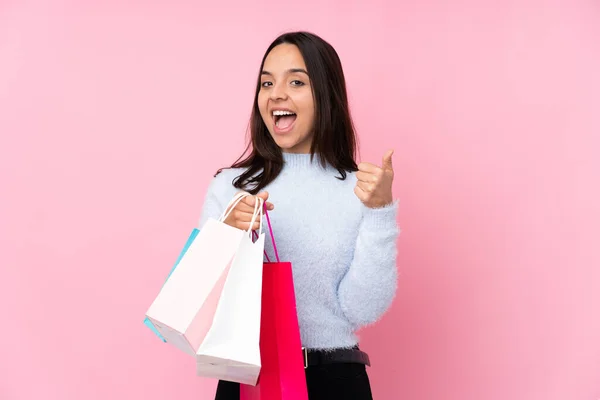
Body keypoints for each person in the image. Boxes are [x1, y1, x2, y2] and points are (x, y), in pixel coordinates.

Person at [198, 31, 399, 400]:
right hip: (250, 379)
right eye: (266, 83)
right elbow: (203, 308)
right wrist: (223, 237)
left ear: (326, 96)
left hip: (336, 380)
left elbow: (363, 309)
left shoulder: (359, 189)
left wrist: (379, 213)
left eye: (296, 81)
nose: (276, 93)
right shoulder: (230, 187)